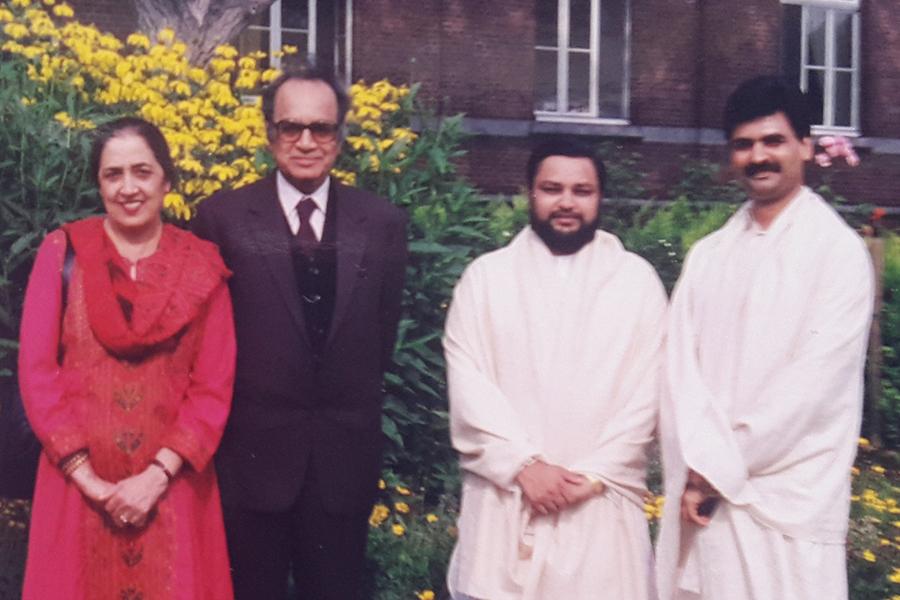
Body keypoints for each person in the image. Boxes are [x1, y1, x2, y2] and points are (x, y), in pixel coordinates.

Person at [192, 62, 408, 600]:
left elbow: (378, 338)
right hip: (252, 464)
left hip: (342, 465)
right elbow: (204, 346)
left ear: (340, 137)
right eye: (292, 127)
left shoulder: (381, 223)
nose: (306, 141)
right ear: (270, 133)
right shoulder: (220, 218)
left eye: (322, 128)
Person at [656, 76, 874, 599]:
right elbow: (680, 372)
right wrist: (697, 471)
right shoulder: (709, 256)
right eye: (744, 144)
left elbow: (811, 390)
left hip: (790, 502)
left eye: (773, 141)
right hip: (707, 502)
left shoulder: (836, 254)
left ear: (805, 145)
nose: (759, 156)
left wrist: (714, 470)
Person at [17, 117, 236, 599]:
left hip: (173, 490)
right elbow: (37, 374)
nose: (128, 188)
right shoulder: (63, 254)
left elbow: (213, 385)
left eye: (142, 171)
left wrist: (155, 478)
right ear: (98, 184)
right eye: (113, 175)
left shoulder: (200, 267)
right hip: (76, 492)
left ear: (167, 180)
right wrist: (90, 480)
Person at [444, 139, 667, 599]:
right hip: (506, 502)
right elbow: (469, 387)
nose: (566, 202)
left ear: (601, 197)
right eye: (552, 188)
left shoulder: (636, 283)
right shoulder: (486, 280)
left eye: (582, 191)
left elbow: (651, 392)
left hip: (600, 508)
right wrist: (525, 467)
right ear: (529, 192)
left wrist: (591, 477)